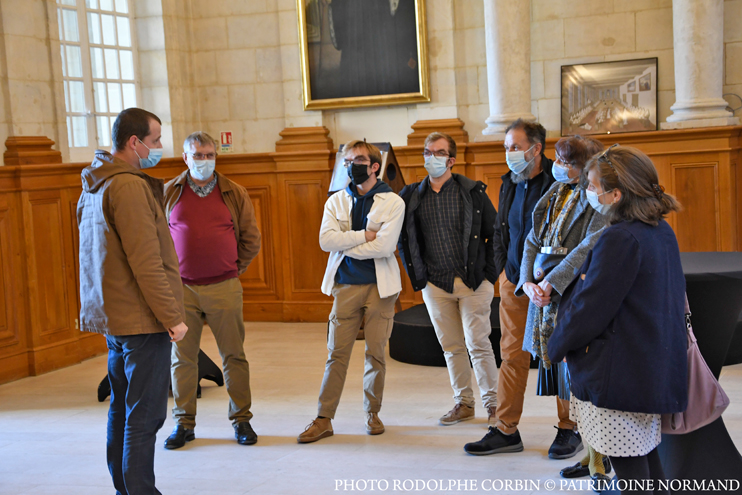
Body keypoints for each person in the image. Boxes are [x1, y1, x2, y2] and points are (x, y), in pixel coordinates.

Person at [548, 145, 687, 494]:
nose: (590, 193)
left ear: (617, 194)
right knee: (646, 460)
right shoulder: (658, 230)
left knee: (631, 473)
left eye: (594, 186)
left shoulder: (620, 238)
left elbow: (590, 308)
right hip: (646, 366)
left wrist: (558, 345)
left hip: (618, 374)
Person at [465, 135, 607, 459]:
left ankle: (569, 428)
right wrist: (527, 280)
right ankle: (504, 428)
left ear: (585, 167)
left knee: (566, 361)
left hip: (568, 290)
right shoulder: (555, 191)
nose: (558, 167)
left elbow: (589, 246)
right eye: (558, 159)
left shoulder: (596, 198)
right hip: (529, 285)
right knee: (513, 356)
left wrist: (553, 282)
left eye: (565, 162)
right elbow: (530, 237)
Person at [77, 108, 187, 495]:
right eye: (155, 140)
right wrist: (172, 316)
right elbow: (147, 262)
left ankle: (125, 488)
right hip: (141, 321)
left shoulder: (94, 183)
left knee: (122, 408)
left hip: (114, 318)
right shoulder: (127, 185)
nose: (159, 147)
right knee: (145, 415)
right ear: (134, 142)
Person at [298, 140, 405, 443]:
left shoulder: (393, 202)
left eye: (357, 160)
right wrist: (363, 237)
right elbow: (325, 241)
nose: (351, 166)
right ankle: (323, 418)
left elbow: (384, 246)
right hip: (345, 286)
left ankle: (372, 412)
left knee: (376, 354)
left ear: (374, 166)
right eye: (347, 161)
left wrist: (348, 242)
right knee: (336, 354)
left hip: (380, 288)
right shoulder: (335, 201)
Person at [163, 131, 262, 449]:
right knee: (182, 359)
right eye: (198, 155)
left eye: (209, 155)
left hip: (224, 285)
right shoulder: (168, 192)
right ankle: (184, 424)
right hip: (181, 289)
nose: (204, 161)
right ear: (185, 158)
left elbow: (251, 239)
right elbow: (157, 241)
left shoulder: (234, 191)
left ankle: (242, 420)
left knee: (234, 355)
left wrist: (232, 268)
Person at [398, 132, 499, 427]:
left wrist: (489, 275)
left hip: (473, 282)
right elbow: (406, 240)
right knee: (451, 346)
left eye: (438, 153)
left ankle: (494, 406)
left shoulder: (472, 193)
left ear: (451, 160)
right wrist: (419, 277)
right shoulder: (412, 196)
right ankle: (464, 403)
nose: (431, 157)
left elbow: (496, 235)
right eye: (427, 152)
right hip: (435, 284)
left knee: (478, 343)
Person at [557, 136, 613, 485]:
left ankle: (603, 463)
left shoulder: (608, 211)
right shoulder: (563, 192)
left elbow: (589, 246)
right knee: (582, 395)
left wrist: (553, 279)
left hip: (587, 294)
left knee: (598, 394)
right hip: (571, 292)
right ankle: (593, 456)